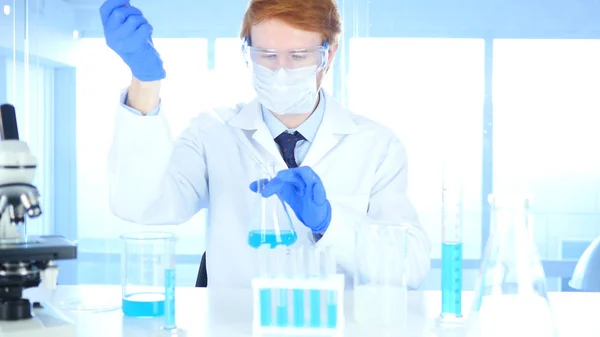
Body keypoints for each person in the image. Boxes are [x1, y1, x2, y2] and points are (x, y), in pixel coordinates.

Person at [100, 0, 431, 288]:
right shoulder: (212, 132)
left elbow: (411, 266)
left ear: (328, 54)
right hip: (235, 328)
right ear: (247, 51)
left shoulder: (376, 146)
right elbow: (141, 204)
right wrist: (144, 79)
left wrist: (330, 222)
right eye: (267, 55)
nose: (281, 71)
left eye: (298, 56)